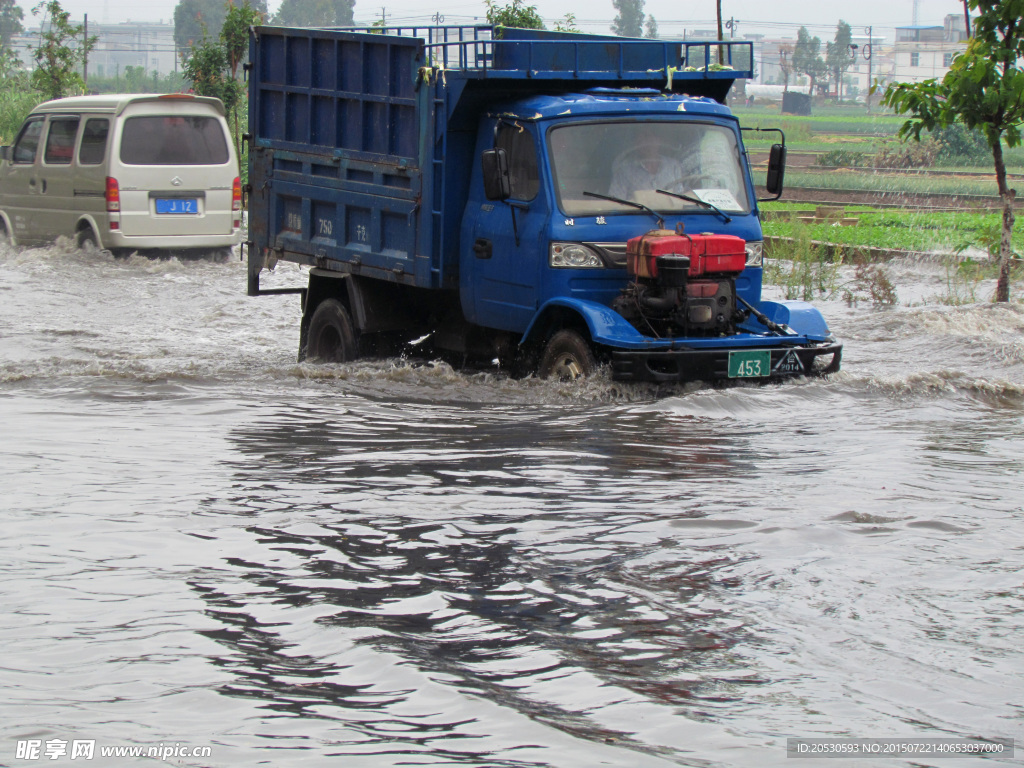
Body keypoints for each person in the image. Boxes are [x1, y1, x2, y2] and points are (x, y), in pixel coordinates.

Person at [608, 129, 687, 201]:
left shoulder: (673, 166)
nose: (644, 143)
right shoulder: (624, 171)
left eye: (648, 137)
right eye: (639, 140)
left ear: (658, 140)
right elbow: (615, 203)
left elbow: (681, 199)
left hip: (672, 215)